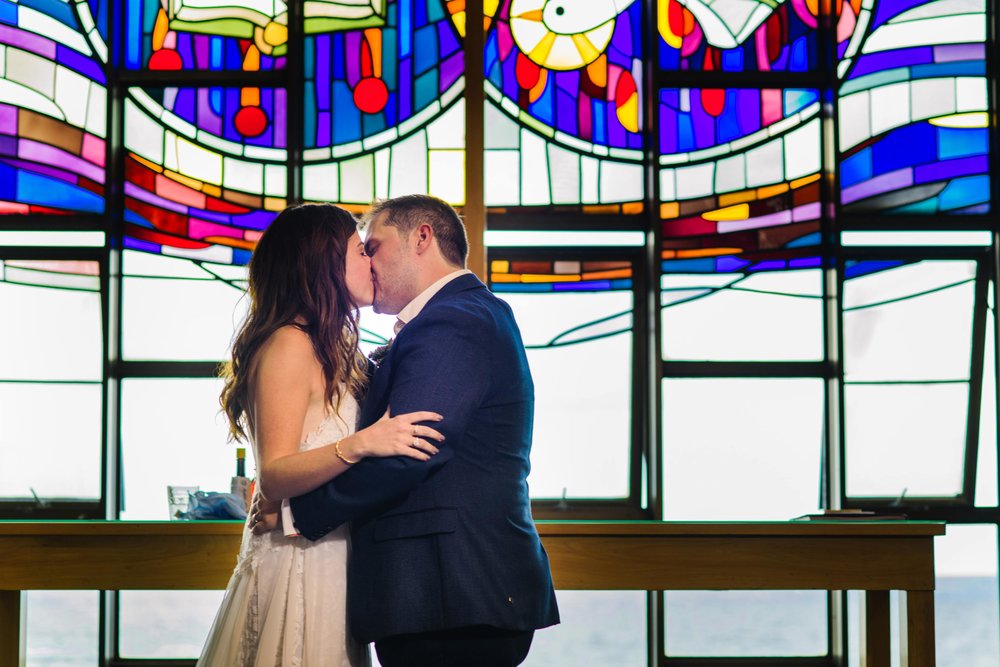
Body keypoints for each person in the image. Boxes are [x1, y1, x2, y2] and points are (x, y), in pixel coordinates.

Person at [283, 194, 560, 667]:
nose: (367, 261)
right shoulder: (461, 316)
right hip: (444, 594)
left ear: (422, 238)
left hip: (450, 593)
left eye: (374, 246)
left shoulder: (453, 321)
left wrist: (298, 513)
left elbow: (410, 453)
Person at [198, 203, 445, 666]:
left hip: (333, 555)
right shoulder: (288, 345)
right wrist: (362, 443)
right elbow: (273, 475)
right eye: (360, 250)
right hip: (298, 562)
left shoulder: (331, 346)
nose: (371, 262)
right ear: (326, 264)